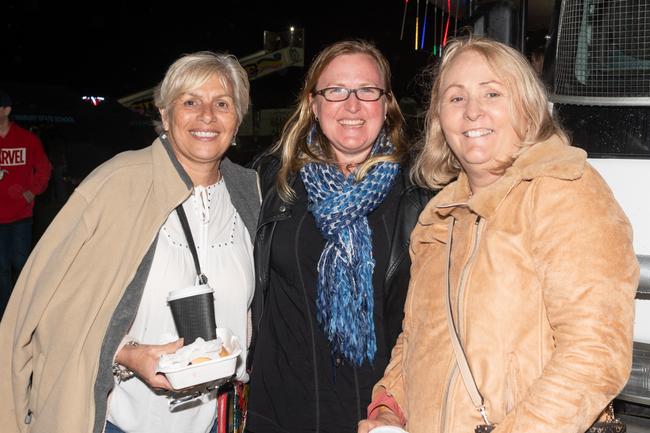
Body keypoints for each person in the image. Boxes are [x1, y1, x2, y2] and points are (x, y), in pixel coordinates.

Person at [358, 36, 639, 433]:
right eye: (456, 98)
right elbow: (418, 339)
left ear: (526, 107)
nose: (473, 111)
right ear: (439, 119)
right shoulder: (438, 219)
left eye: (492, 93)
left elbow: (595, 355)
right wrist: (388, 405)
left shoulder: (566, 190)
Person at [0, 51, 260, 433]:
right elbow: (46, 309)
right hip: (120, 420)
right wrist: (124, 355)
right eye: (190, 102)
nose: (207, 115)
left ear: (237, 119)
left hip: (214, 422)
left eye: (222, 103)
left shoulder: (249, 192)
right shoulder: (117, 183)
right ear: (165, 116)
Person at [246, 39, 434, 433]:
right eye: (335, 91)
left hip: (378, 414)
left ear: (387, 104)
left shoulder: (420, 193)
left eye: (367, 91)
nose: (352, 105)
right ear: (313, 105)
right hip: (279, 410)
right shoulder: (273, 180)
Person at [0, 89, 52, 319]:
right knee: (1, 269)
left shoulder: (26, 139)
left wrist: (31, 192)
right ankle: (5, 315)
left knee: (21, 264)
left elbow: (44, 167)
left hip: (20, 214)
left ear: (6, 110)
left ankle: (23, 311)